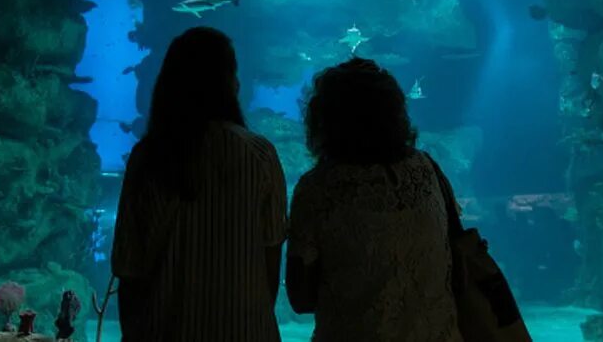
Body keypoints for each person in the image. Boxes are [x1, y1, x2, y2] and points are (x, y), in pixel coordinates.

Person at [111, 27, 288, 342]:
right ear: (229, 81)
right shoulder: (260, 154)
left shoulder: (149, 155)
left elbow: (128, 264)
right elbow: (271, 256)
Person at [286, 57, 462, 341]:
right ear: (395, 113)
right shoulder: (427, 169)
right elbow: (455, 255)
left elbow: (301, 299)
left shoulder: (316, 188)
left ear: (324, 119)